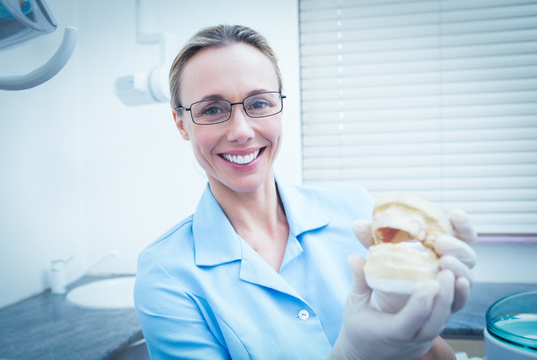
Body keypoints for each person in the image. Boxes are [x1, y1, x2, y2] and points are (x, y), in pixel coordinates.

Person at [134, 24, 477, 360]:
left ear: (279, 105)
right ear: (181, 123)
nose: (241, 131)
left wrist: (415, 336)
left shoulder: (355, 209)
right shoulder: (165, 274)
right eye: (212, 109)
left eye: (258, 104)